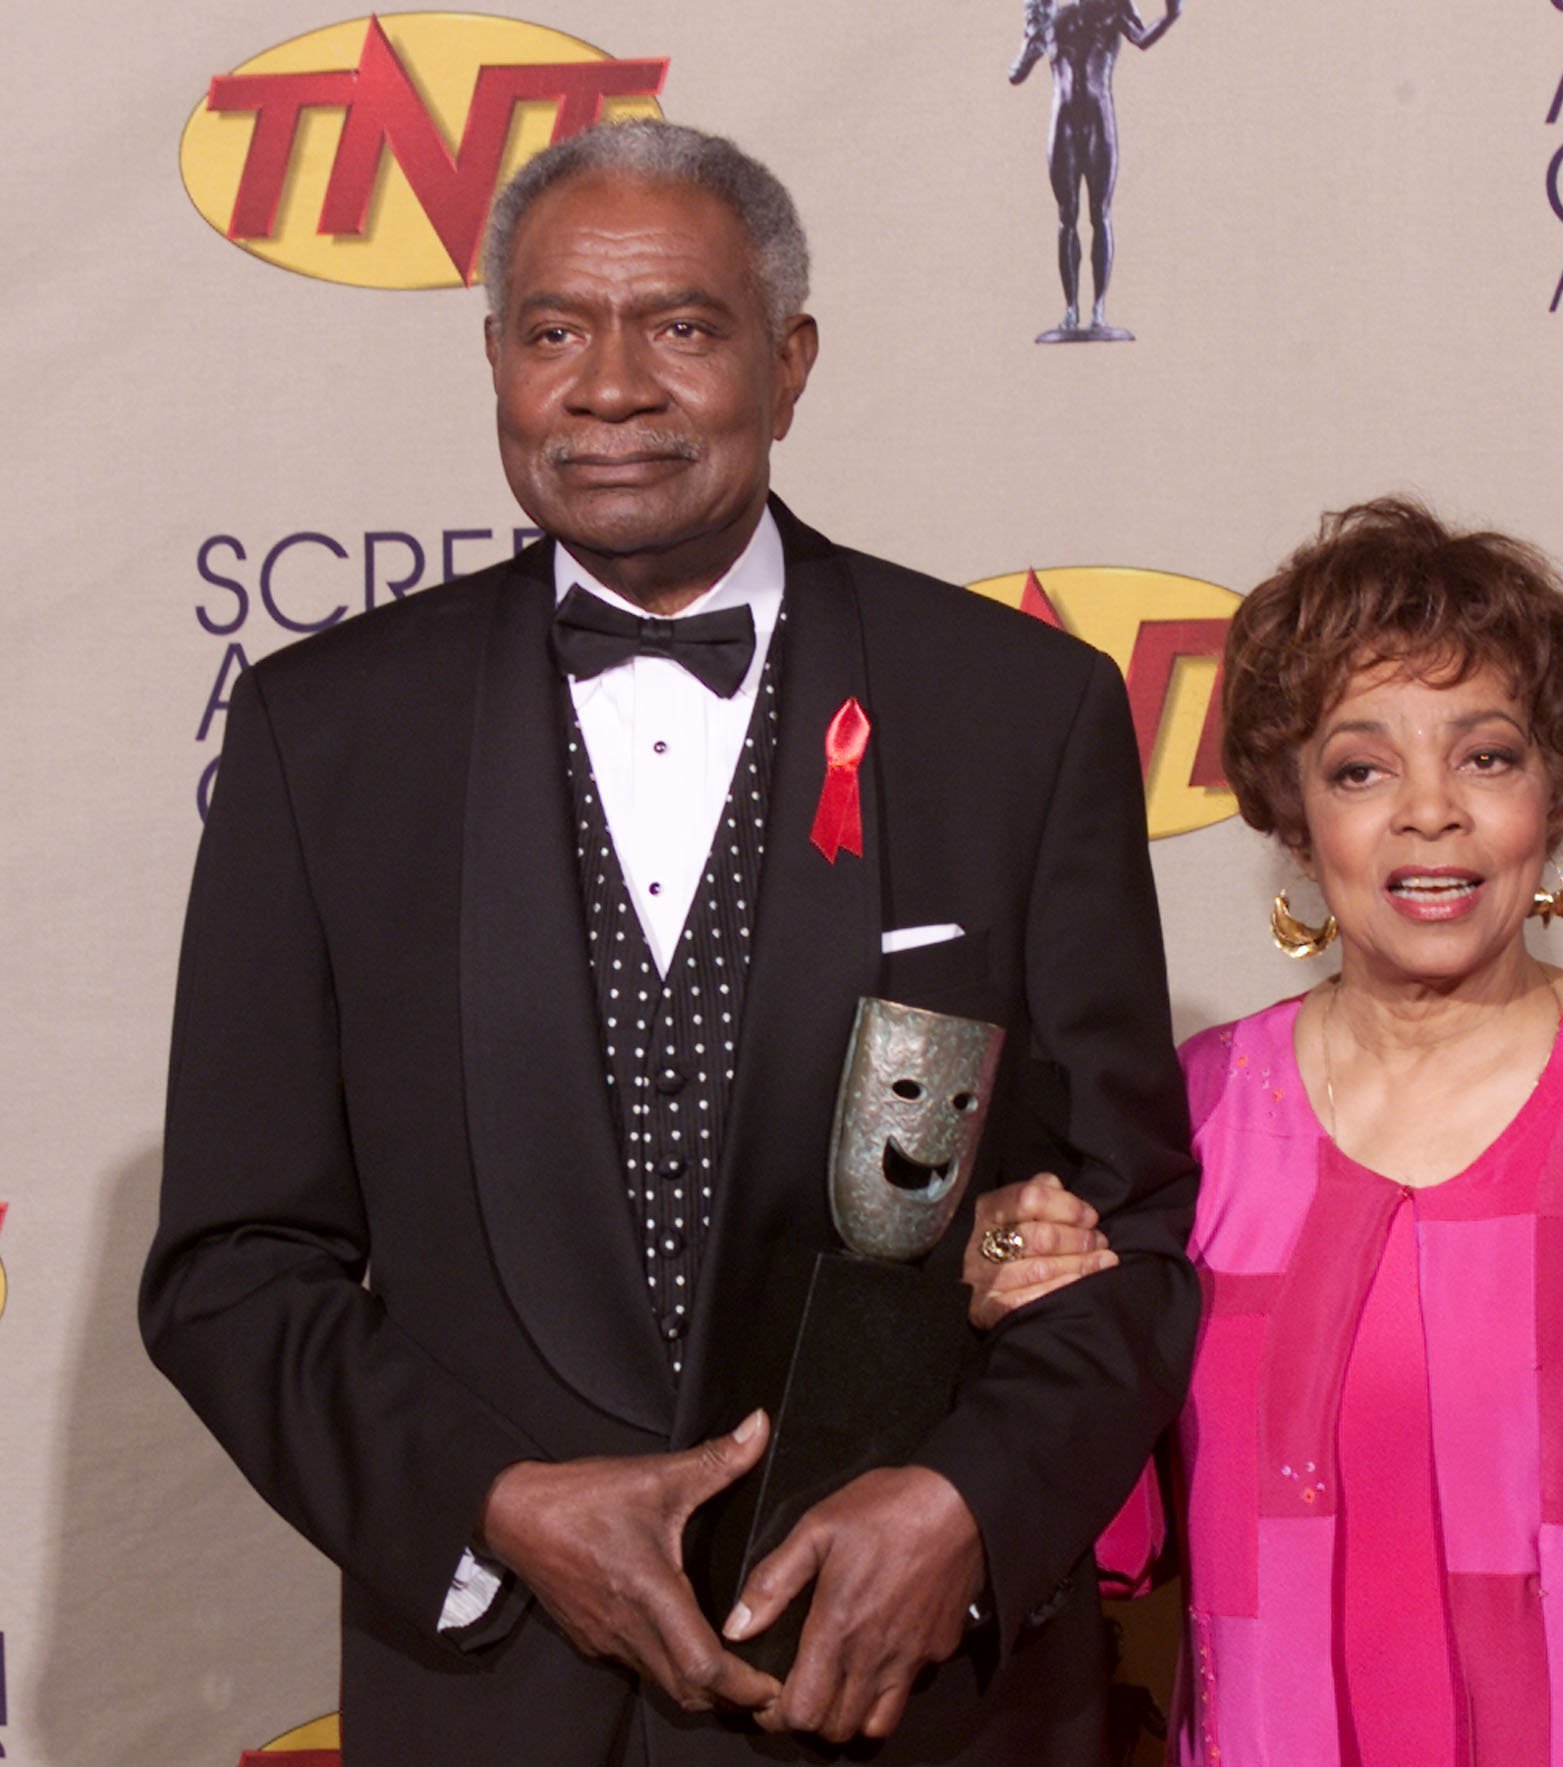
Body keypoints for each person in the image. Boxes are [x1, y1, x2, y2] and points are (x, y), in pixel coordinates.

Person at [141, 119, 1198, 1767]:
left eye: (684, 329)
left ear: (790, 363)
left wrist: (964, 1512)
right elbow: (232, 1265)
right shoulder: (321, 739)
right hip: (503, 1701)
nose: (612, 385)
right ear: (496, 360)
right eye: (557, 330)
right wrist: (492, 1504)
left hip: (913, 1699)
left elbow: (1123, 1231)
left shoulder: (1015, 712)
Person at [968, 499, 1563, 1764]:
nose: (1429, 813)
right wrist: (1029, 1307)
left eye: (1486, 756)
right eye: (1360, 768)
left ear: (1553, 794)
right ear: (1292, 817)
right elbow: (1110, 1542)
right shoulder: (1196, 1119)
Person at [1009, 0, 1185, 341]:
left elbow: (1142, 38)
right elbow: (1016, 73)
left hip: (1098, 117)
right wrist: (1032, 38)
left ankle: (1098, 310)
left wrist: (1169, 16)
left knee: (1099, 214)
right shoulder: (1046, 8)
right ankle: (1071, 310)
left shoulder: (1113, 3)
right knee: (1067, 215)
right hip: (1063, 122)